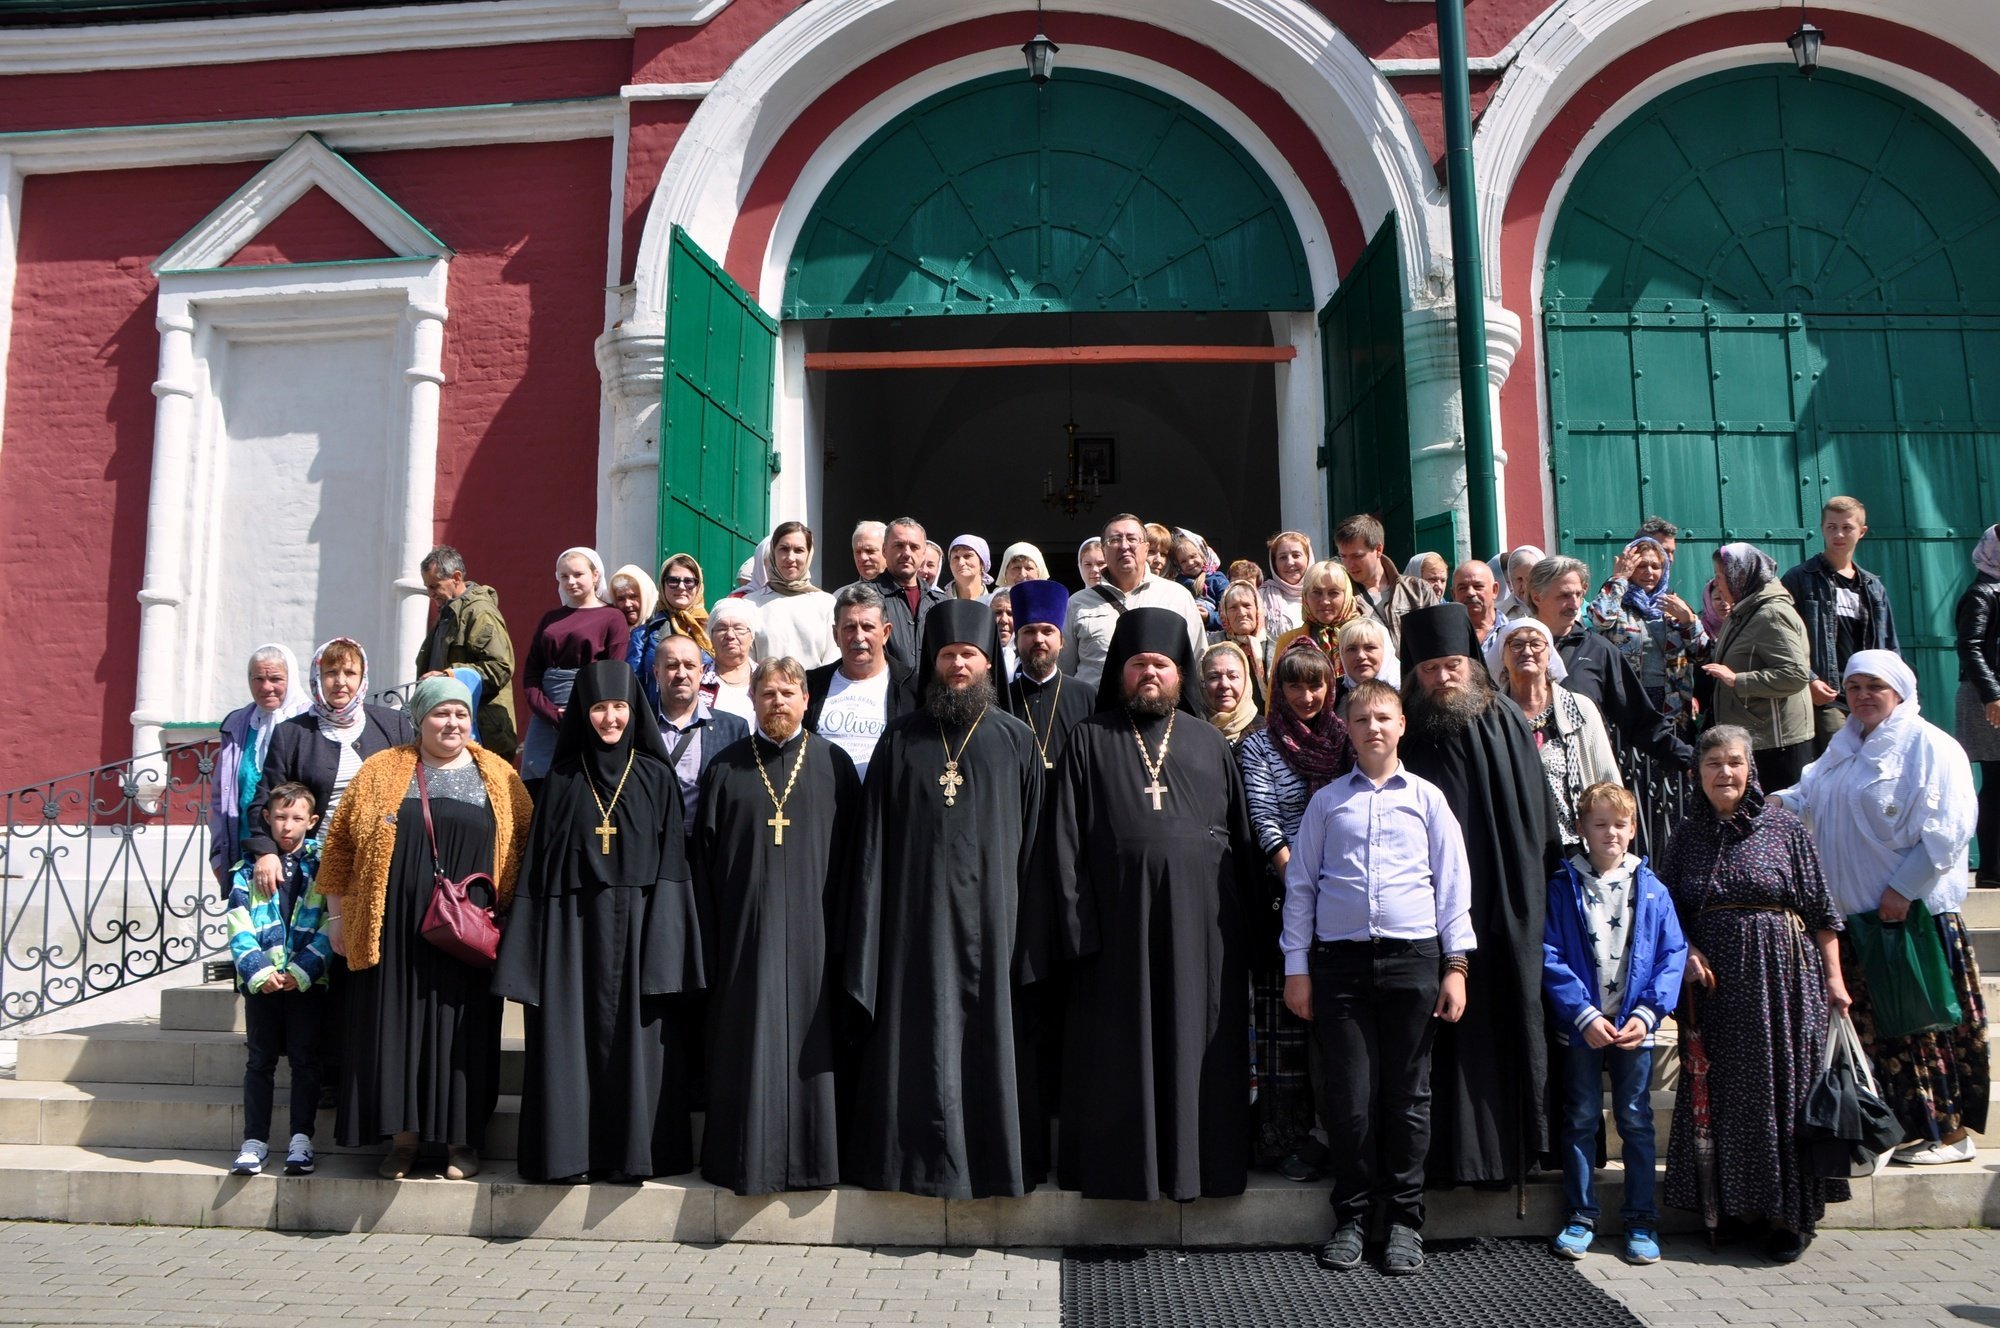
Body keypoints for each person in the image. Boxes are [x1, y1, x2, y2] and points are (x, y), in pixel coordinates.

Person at [1042, 608, 1261, 1201]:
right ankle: (1121, 1173)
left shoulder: (1209, 741)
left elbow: (1240, 840)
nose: (1149, 674)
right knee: (1119, 1051)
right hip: (1115, 931)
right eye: (1138, 664)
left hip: (1200, 934)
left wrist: (1243, 932)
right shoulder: (1091, 738)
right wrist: (1076, 927)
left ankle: (1199, 1171)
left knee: (1198, 1046)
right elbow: (1063, 840)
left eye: (1161, 665)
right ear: (1121, 671)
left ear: (1179, 673)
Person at [843, 601, 1047, 1199]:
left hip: (997, 928)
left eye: (969, 656)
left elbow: (1035, 843)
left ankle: (995, 1166)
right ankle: (910, 1165)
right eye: (948, 655)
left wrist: (1032, 935)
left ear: (988, 664)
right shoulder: (901, 738)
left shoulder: (1015, 740)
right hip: (914, 923)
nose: (958, 665)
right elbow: (872, 842)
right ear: (932, 663)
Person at [1283, 678, 1471, 1277]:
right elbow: (1301, 889)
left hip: (1414, 961)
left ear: (1401, 725)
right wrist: (1297, 969)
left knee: (1409, 1099)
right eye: (1361, 718)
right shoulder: (1327, 803)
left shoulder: (1428, 800)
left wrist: (1457, 967)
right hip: (1338, 966)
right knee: (1350, 1100)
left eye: (1383, 717)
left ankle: (1405, 1223)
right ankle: (1354, 1218)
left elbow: (1453, 887)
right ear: (1349, 729)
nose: (1373, 728)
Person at [1772, 651, 1987, 1166]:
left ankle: (1948, 1134)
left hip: (1909, 920)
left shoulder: (1930, 746)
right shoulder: (1842, 749)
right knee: (1880, 1035)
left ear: (1899, 691)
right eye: (1854, 687)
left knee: (1921, 1029)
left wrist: (1905, 888)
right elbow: (1807, 795)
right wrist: (1762, 802)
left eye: (1875, 686)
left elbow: (1950, 828)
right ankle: (1894, 1128)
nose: (1864, 696)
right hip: (1857, 924)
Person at [493, 662, 703, 1183]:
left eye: (619, 707)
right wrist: (530, 953)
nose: (609, 718)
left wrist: (668, 948)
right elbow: (538, 875)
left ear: (633, 712)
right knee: (569, 1041)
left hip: (639, 932)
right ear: (582, 714)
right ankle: (570, 1156)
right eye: (598, 708)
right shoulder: (561, 781)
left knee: (639, 1043)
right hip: (571, 933)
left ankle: (635, 1155)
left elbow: (673, 870)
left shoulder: (655, 777)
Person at [320, 676, 532, 1181]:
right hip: (394, 931)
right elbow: (340, 849)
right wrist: (336, 916)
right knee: (397, 1028)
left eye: (460, 714)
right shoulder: (381, 770)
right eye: (441, 714)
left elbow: (523, 850)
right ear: (420, 719)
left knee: (464, 1031)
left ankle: (462, 1142)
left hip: (471, 933)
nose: (452, 723)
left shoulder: (500, 776)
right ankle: (404, 1141)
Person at [1659, 725, 1850, 1262]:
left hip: (1784, 982)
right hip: (1716, 991)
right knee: (1730, 1098)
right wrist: (1688, 949)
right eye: (1714, 763)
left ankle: (1790, 1216)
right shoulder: (1686, 835)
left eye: (1735, 762)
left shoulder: (1784, 827)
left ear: (1751, 769)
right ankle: (1739, 1207)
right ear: (1698, 773)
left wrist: (1834, 981)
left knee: (1784, 1093)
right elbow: (1665, 911)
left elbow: (1820, 909)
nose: (1726, 773)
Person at [1395, 604, 1556, 1188]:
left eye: (1453, 665)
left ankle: (1503, 1157)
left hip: (1498, 902)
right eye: (1432, 668)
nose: (1444, 678)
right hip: (1421, 907)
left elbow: (1531, 821)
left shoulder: (1503, 718)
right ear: (1415, 673)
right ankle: (1435, 1164)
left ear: (1472, 664)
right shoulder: (1403, 729)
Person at [693, 657, 862, 1196]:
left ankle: (814, 1162)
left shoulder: (834, 766)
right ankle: (742, 1158)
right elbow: (704, 861)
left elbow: (857, 859)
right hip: (744, 938)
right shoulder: (726, 768)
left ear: (807, 700)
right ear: (755, 700)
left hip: (817, 938)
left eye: (789, 693)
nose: (778, 703)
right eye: (768, 693)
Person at [1543, 782, 1685, 1266]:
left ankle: (1641, 1219)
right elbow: (1550, 954)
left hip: (1634, 1029)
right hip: (1582, 1027)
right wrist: (1579, 1013)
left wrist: (1648, 1014)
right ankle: (1582, 1214)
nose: (1610, 833)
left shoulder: (1652, 888)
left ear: (1633, 829)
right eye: (1599, 825)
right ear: (1581, 829)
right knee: (1580, 1117)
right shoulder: (1563, 887)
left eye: (1619, 825)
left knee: (1637, 1120)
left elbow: (1671, 956)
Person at [1240, 645, 1353, 1182]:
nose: (1306, 697)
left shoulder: (1343, 738)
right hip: (1284, 895)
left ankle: (1341, 1137)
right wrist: (1302, 883)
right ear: (1277, 691)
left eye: (1315, 686)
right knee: (1285, 1024)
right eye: (1294, 687)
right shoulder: (1259, 744)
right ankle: (1287, 1138)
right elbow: (1263, 819)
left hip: (1346, 893)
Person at [247, 638, 412, 894]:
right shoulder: (291, 733)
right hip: (314, 867)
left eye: (350, 672)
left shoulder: (393, 725)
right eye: (331, 673)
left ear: (362, 676)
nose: (340, 682)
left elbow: (415, 788)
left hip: (381, 863)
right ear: (317, 676)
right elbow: (266, 797)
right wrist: (265, 852)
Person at [226, 782, 332, 1178]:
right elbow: (239, 924)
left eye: (297, 818)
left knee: (306, 1061)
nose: (288, 826)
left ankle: (301, 1139)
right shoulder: (245, 871)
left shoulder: (323, 867)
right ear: (267, 818)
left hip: (304, 983)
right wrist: (259, 971)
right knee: (260, 1061)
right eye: (281, 817)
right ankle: (254, 1141)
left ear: (312, 821)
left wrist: (304, 969)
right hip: (264, 983)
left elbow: (328, 924)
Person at [1531, 556, 1693, 773]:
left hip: (1580, 773)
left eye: (1578, 595)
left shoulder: (1599, 651)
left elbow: (1640, 719)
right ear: (1537, 597)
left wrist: (1692, 758)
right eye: (1564, 596)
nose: (1574, 604)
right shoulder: (1512, 646)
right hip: (1526, 770)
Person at [1489, 617, 1620, 851]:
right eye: (1516, 645)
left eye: (1536, 644)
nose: (1527, 651)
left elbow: (1606, 777)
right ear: (1503, 656)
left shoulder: (1580, 709)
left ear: (1549, 654)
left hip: (1571, 846)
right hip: (1512, 847)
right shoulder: (1491, 716)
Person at [1783, 498, 1899, 755]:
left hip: (1867, 695)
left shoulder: (1873, 586)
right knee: (1840, 759)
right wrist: (1809, 680)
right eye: (1831, 527)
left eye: (1847, 527)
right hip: (1827, 696)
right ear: (1822, 529)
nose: (1839, 534)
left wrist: (1895, 689)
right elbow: (1784, 640)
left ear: (1862, 531)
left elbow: (1889, 645)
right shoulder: (1800, 579)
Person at [1705, 542, 1815, 793]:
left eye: (1720, 576)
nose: (1717, 583)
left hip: (1777, 746)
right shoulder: (1745, 611)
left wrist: (1738, 680)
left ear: (1740, 575)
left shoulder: (1771, 614)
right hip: (1755, 740)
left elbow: (1796, 673)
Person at [522, 546, 630, 792]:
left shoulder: (612, 618)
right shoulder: (550, 619)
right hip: (546, 715)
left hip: (588, 711)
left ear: (595, 575)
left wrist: (583, 711)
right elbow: (531, 674)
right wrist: (551, 713)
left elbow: (613, 674)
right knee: (539, 778)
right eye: (564, 576)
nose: (571, 581)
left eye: (578, 574)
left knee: (581, 780)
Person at [1060, 513, 1207, 690]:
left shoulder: (1177, 597)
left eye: (1132, 539)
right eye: (1114, 540)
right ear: (1104, 551)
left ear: (1146, 548)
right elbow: (1064, 672)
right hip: (1095, 713)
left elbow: (1198, 665)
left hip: (1161, 712)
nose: (1124, 546)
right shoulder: (1076, 604)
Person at [1585, 537, 1706, 739]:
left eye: (1655, 566)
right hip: (1627, 700)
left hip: (1670, 705)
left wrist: (1689, 621)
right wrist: (1618, 579)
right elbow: (1600, 618)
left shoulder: (1672, 606)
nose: (1649, 572)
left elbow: (1702, 653)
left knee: (1667, 764)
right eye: (1641, 565)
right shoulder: (1617, 604)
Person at [211, 643, 309, 893]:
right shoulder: (238, 725)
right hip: (245, 853)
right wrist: (218, 855)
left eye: (276, 678)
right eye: (258, 678)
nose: (266, 687)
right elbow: (220, 797)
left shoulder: (310, 723)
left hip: (299, 855)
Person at [804, 582, 915, 780]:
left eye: (868, 627)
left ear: (886, 633)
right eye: (849, 627)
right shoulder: (811, 685)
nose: (858, 637)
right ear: (835, 635)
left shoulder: (911, 688)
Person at [417, 547, 519, 760]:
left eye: (434, 586)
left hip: (482, 734)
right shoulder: (449, 612)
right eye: (427, 587)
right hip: (449, 732)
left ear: (456, 578)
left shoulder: (480, 612)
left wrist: (449, 676)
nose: (430, 593)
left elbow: (500, 668)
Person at [654, 633, 748, 836]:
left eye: (689, 665)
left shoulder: (733, 729)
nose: (681, 674)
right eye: (671, 666)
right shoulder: (638, 727)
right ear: (656, 673)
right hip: (652, 849)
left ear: (701, 672)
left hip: (707, 853)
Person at [1003, 580, 1093, 772]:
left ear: (1061, 641)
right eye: (1029, 631)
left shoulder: (1087, 697)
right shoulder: (1002, 699)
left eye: (1047, 631)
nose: (1038, 639)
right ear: (1017, 641)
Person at [1957, 525, 2000, 888]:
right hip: (1986, 697)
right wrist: (1993, 695)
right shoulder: (1982, 592)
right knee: (1997, 782)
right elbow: (1970, 645)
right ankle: (1991, 870)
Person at [1334, 513, 1439, 646]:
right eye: (1343, 556)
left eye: (1357, 556)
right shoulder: (1341, 595)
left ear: (1378, 549)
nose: (1349, 564)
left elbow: (1438, 639)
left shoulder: (1418, 589)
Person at [746, 521, 838, 669]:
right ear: (773, 553)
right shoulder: (750, 604)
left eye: (799, 550)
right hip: (767, 690)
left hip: (816, 690)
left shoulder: (827, 604)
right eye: (783, 549)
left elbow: (833, 658)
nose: (790, 557)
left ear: (809, 554)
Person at [632, 552, 714, 714]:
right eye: (673, 581)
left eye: (689, 581)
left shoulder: (711, 630)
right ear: (662, 585)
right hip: (656, 718)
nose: (681, 587)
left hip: (705, 717)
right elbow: (632, 683)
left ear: (699, 586)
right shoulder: (644, 634)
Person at [870, 517, 950, 671]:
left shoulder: (939, 602)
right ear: (884, 550)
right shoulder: (865, 597)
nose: (906, 553)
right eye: (899, 545)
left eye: (914, 547)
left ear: (923, 553)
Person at [1272, 560, 1367, 672]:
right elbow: (1276, 688)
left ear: (1346, 596)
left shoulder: (1366, 636)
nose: (1324, 601)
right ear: (1305, 596)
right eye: (1316, 592)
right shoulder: (1288, 642)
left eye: (1333, 593)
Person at [1216, 581, 1274, 710]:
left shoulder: (1274, 645)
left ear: (1257, 609)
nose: (1241, 613)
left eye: (1247, 606)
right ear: (1224, 612)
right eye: (1233, 608)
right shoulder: (1213, 644)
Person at [704, 596, 761, 726]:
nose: (730, 635)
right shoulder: (698, 678)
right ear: (711, 637)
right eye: (721, 628)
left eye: (738, 628)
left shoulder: (765, 677)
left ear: (751, 636)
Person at [1200, 641, 1262, 749]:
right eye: (1214, 677)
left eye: (1233, 676)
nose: (1224, 684)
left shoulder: (1266, 733)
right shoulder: (1191, 731)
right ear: (1203, 683)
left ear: (1246, 682)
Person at [1334, 617, 1401, 713]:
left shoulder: (1408, 694)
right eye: (1352, 649)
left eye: (1370, 647)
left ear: (1386, 651)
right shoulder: (1333, 697)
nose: (1360, 656)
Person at [1171, 530, 1230, 632]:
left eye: (1193, 556)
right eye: (1183, 561)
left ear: (1203, 555)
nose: (1190, 563)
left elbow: (1230, 614)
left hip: (1211, 635)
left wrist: (1208, 617)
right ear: (1178, 565)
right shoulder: (1177, 582)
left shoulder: (1217, 580)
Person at [1259, 531, 1313, 637]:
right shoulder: (1261, 598)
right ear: (1274, 564)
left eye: (1296, 555)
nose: (1289, 562)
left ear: (1308, 558)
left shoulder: (1323, 594)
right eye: (1283, 557)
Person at [1452, 560, 1501, 656]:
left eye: (1478, 586)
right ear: (1454, 595)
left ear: (1494, 590)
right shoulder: (1447, 636)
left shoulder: (1513, 633)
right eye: (1462, 588)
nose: (1470, 593)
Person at [1498, 545, 1547, 622]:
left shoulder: (1555, 608)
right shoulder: (1498, 613)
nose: (1524, 586)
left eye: (1529, 579)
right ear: (1511, 579)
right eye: (1519, 579)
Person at [946, 533, 995, 603]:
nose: (961, 563)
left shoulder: (995, 604)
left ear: (982, 563)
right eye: (956, 557)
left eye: (967, 556)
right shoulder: (938, 602)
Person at [610, 564, 659, 632]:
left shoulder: (663, 625)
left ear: (646, 596)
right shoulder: (612, 629)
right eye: (621, 599)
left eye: (633, 597)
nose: (627, 604)